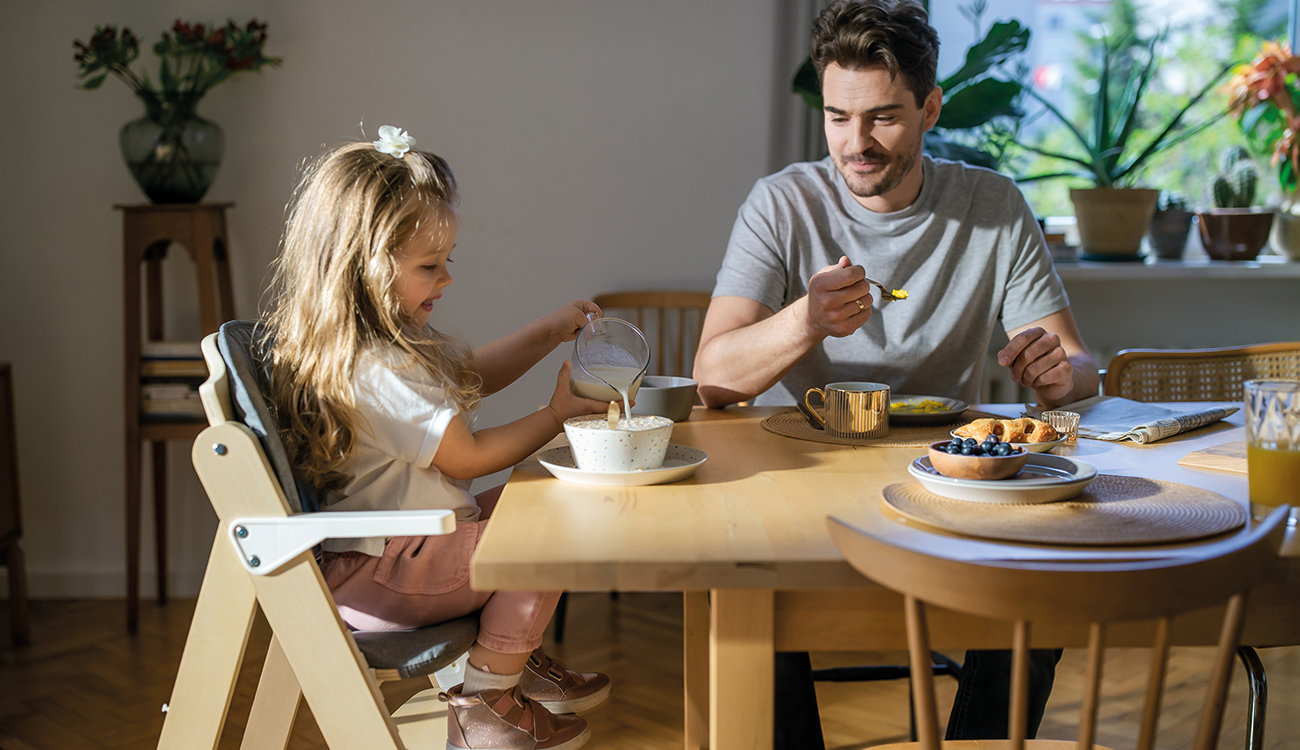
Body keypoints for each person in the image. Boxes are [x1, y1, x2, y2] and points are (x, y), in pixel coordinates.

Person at [693, 0, 1099, 745]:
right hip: (799, 479)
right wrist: (804, 320)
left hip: (954, 480)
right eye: (838, 117)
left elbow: (1077, 370)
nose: (856, 144)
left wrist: (1056, 374)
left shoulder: (994, 205)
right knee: (739, 595)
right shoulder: (781, 204)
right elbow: (713, 378)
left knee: (1041, 600)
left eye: (882, 117)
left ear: (930, 108)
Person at [264, 127, 611, 750]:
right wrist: (557, 413)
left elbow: (468, 378)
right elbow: (468, 456)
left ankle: (509, 654)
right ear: (363, 265)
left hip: (393, 559)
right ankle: (489, 699)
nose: (446, 279)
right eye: (429, 266)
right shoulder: (376, 366)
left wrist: (545, 334)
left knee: (535, 501)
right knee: (551, 523)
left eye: (447, 260)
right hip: (389, 572)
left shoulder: (374, 349)